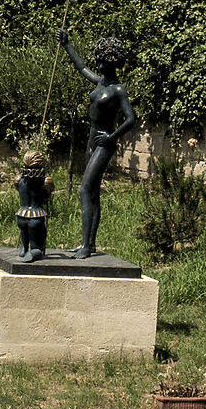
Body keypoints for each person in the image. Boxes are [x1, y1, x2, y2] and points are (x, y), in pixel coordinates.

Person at [58, 33, 137, 259]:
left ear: (112, 62)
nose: (98, 63)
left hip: (104, 143)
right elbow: (82, 68)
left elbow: (131, 119)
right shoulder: (100, 82)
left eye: (103, 60)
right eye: (99, 59)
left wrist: (112, 137)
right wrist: (67, 45)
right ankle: (89, 244)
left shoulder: (118, 90)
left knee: (84, 190)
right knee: (92, 193)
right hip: (92, 142)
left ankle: (85, 245)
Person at [14, 149, 50, 263]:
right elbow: (45, 198)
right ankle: (34, 251)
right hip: (36, 217)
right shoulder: (44, 182)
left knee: (24, 233)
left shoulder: (19, 180)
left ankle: (24, 248)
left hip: (21, 216)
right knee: (37, 246)